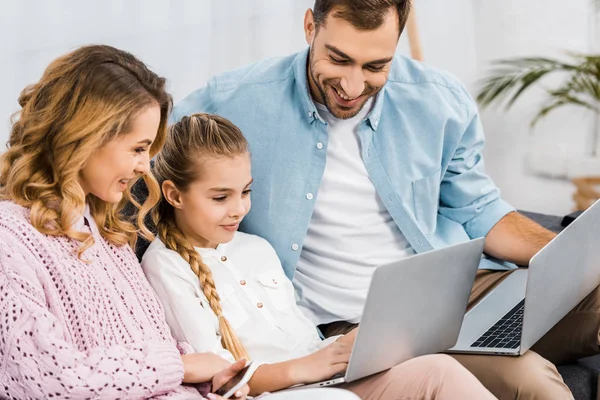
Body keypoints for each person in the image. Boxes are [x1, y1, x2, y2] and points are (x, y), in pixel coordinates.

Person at [169, 1, 600, 398]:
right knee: (532, 381)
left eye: (375, 65)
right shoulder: (234, 99)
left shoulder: (438, 99)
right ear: (309, 27)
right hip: (359, 325)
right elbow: (149, 152)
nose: (353, 85)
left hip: (458, 291)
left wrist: (566, 259)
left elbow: (478, 208)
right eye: (338, 59)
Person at [141, 112, 497, 399]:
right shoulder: (165, 265)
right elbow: (218, 377)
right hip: (279, 391)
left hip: (325, 379)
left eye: (246, 192)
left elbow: (303, 335)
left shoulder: (256, 248)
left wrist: (350, 346)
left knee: (438, 369)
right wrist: (311, 367)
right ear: (174, 195)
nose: (239, 209)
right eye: (220, 197)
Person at [0, 44, 251, 400]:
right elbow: (49, 379)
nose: (144, 166)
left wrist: (208, 379)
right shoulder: (9, 240)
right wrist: (183, 367)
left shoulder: (107, 235)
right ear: (85, 137)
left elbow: (142, 353)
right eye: (137, 148)